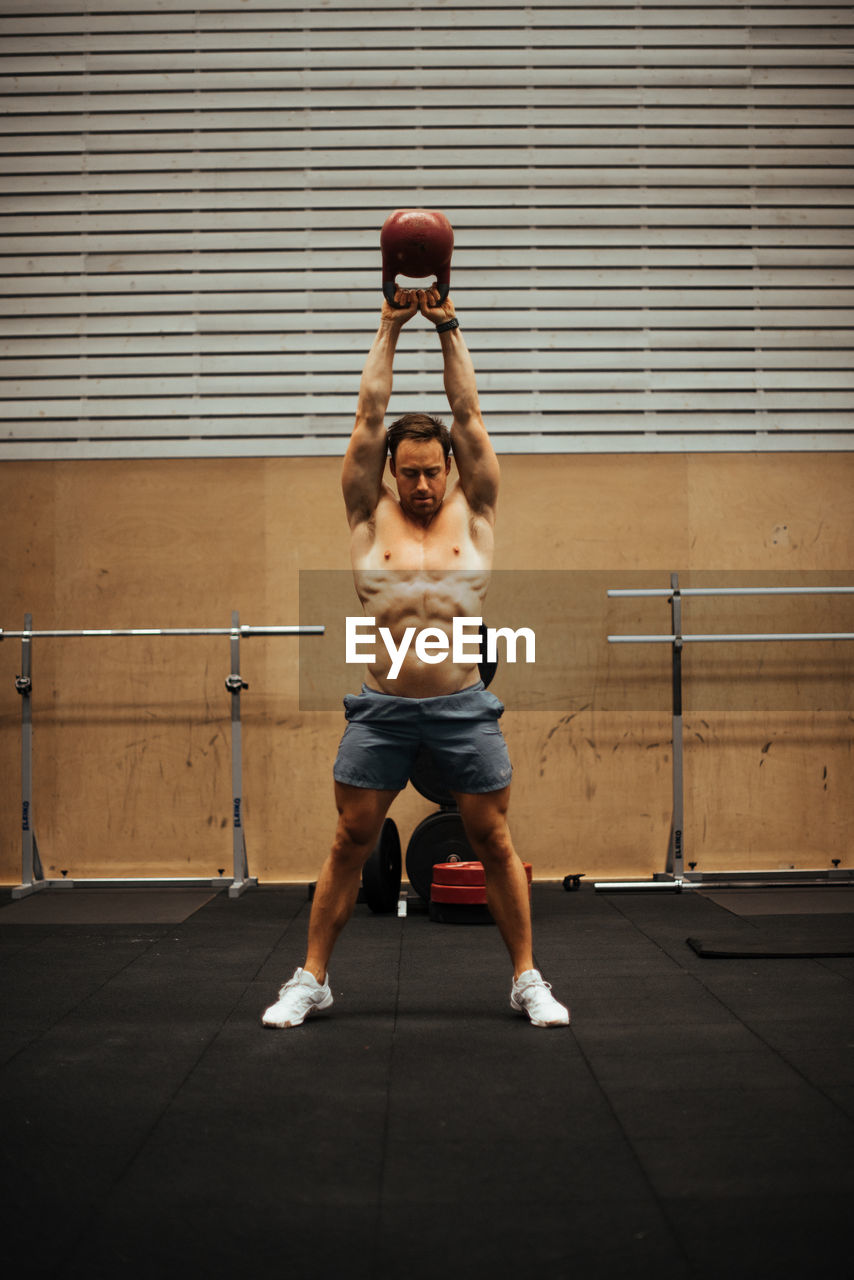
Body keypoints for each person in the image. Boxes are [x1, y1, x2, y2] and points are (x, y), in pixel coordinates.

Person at [262, 287, 569, 1030]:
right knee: (348, 841)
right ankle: (312, 979)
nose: (425, 484)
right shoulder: (369, 515)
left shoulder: (478, 509)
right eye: (412, 472)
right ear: (392, 470)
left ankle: (527, 979)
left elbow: (469, 414)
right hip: (386, 706)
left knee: (494, 840)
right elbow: (369, 416)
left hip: (464, 704)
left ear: (452, 469)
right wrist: (390, 328)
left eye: (435, 471)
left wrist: (449, 327)